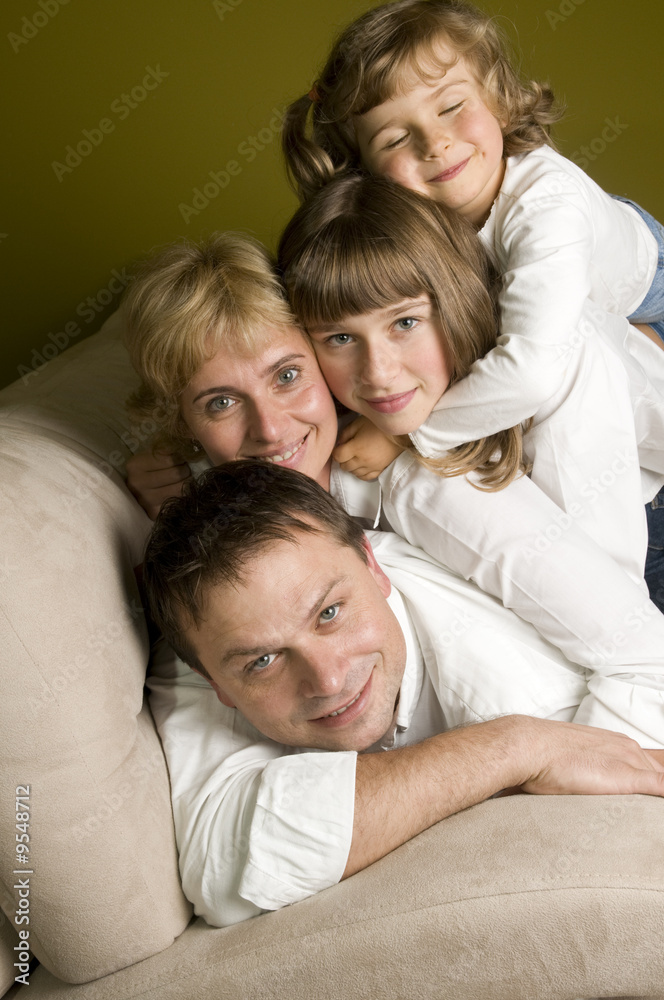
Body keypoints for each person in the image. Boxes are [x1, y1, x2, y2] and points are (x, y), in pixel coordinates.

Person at [122, 232, 664, 712]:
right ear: (184, 421)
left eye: (287, 376)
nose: (269, 428)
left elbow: (637, 648)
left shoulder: (419, 477)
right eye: (221, 403)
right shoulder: (206, 510)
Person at [143, 460, 664, 927]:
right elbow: (223, 868)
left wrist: (522, 736)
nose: (326, 681)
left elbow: (627, 764)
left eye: (330, 613)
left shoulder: (519, 682)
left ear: (374, 566)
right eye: (264, 661)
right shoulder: (207, 636)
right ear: (214, 685)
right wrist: (515, 748)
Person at [280, 0, 664, 576]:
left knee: (591, 347)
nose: (434, 144)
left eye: (453, 107)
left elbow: (532, 370)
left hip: (643, 279)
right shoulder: (417, 219)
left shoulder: (547, 211)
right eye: (393, 140)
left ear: (499, 98)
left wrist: (411, 439)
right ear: (360, 165)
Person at [278, 172, 664, 594]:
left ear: (455, 300)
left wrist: (410, 438)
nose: (378, 373)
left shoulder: (558, 364)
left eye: (405, 323)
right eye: (341, 338)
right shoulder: (334, 404)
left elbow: (609, 594)